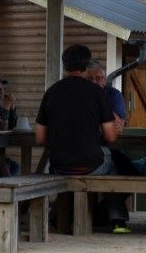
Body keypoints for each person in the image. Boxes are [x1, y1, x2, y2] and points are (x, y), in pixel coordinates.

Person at [35, 44, 131, 234]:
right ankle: (117, 219)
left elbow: (39, 139)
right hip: (90, 164)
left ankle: (58, 218)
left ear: (64, 65)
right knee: (111, 163)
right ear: (86, 66)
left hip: (59, 165)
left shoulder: (51, 92)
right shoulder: (97, 93)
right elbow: (111, 136)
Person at [86, 61, 126, 136]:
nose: (94, 82)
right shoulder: (81, 95)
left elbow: (119, 127)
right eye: (90, 79)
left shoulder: (114, 94)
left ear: (104, 79)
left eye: (98, 78)